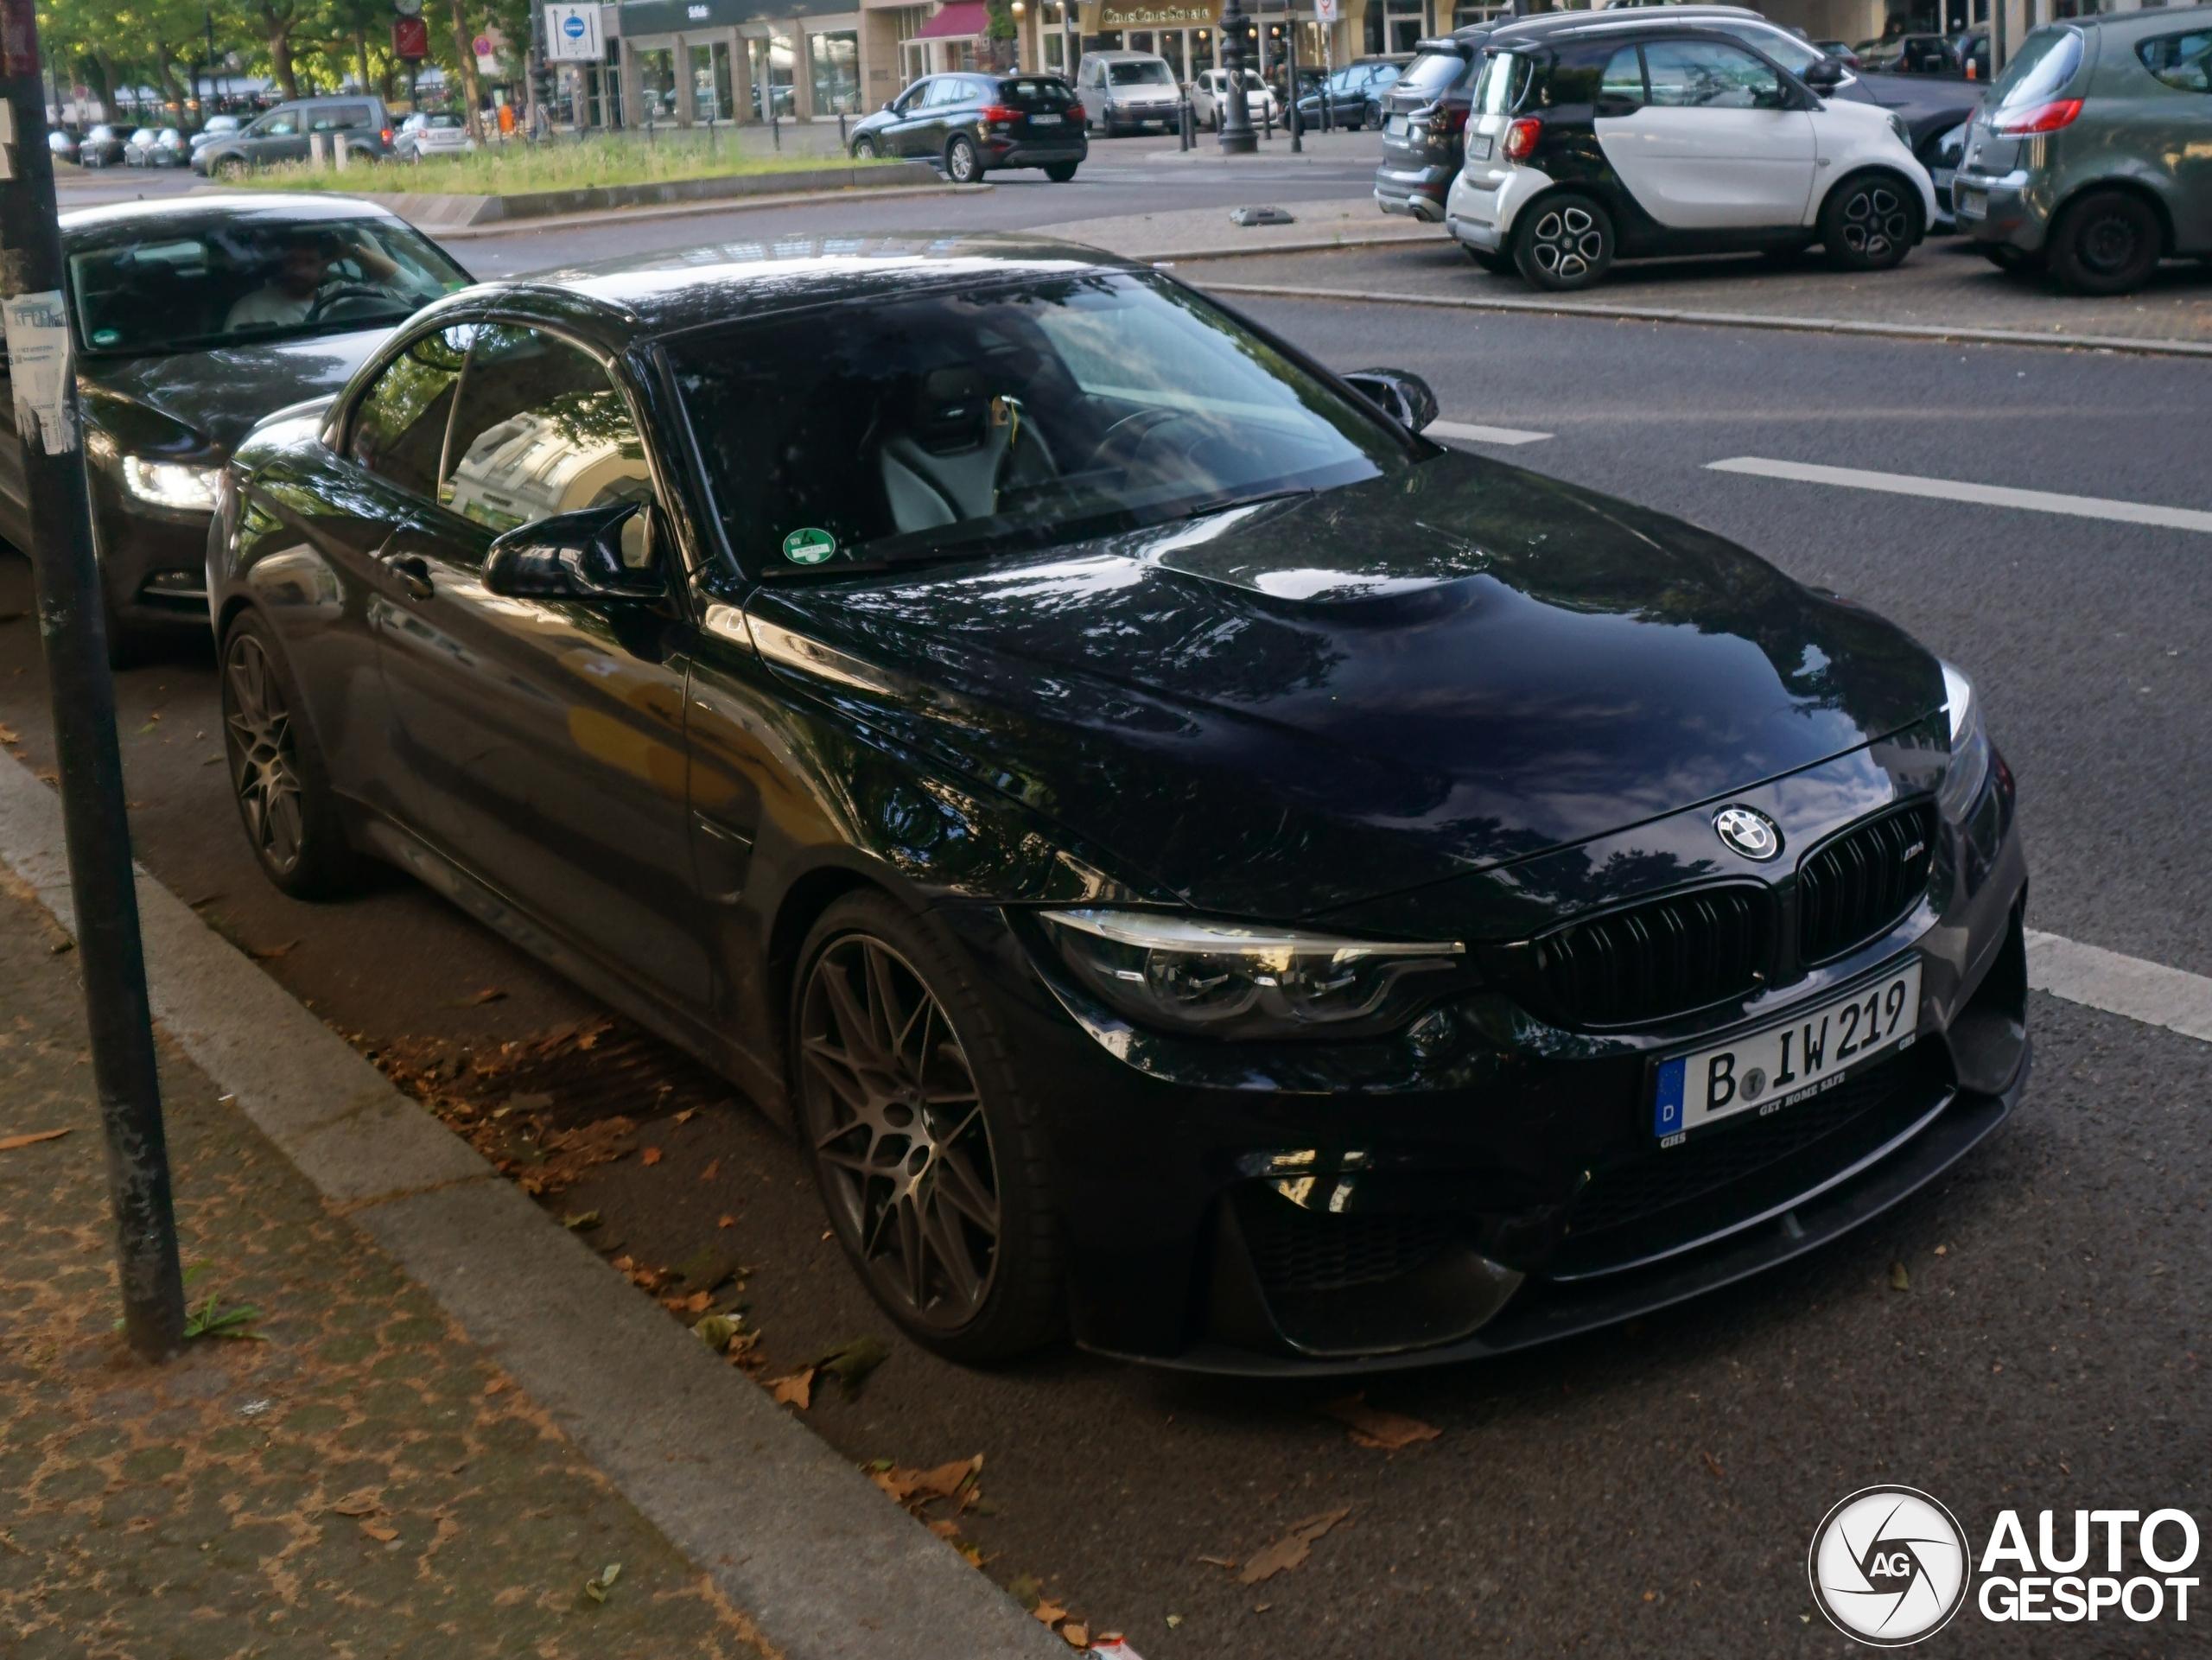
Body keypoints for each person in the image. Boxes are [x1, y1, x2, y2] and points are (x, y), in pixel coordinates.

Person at [225, 228, 441, 333]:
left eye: (309, 263)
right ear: (280, 265)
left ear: (325, 267)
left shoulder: (344, 294)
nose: (299, 271)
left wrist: (352, 251)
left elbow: (413, 288)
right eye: (292, 262)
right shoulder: (250, 308)